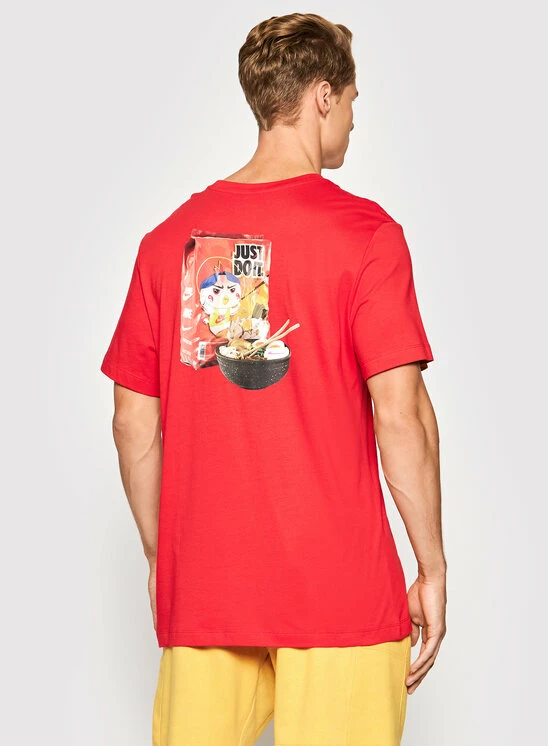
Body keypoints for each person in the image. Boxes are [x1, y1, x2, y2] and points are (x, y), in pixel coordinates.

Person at [100, 11, 447, 746]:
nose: (353, 119)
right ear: (323, 96)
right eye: (351, 100)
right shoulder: (367, 236)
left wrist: (165, 559)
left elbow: (132, 420)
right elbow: (401, 414)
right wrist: (431, 565)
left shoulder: (167, 244)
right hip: (341, 595)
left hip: (208, 593)